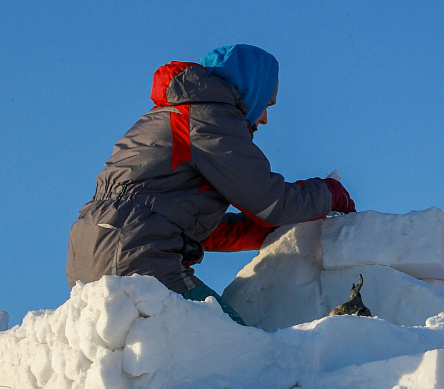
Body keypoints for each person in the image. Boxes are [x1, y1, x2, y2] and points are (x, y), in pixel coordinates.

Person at [66, 44, 355, 325]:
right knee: (238, 349)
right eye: (266, 104)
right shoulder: (209, 118)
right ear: (250, 89)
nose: (265, 119)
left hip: (91, 251)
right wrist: (330, 193)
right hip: (136, 254)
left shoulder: (174, 115)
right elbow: (273, 202)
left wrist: (269, 232)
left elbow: (190, 225)